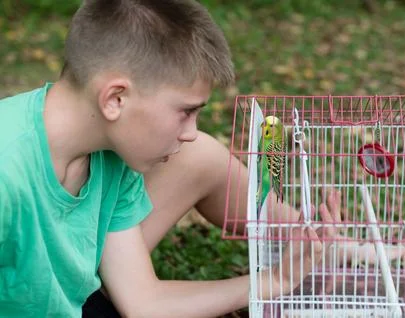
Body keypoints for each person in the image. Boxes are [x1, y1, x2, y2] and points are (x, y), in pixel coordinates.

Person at [0, 0, 339, 317]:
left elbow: (142, 300)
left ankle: (344, 248)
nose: (191, 132)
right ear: (116, 99)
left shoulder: (116, 155)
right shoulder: (8, 166)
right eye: (186, 112)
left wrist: (274, 282)